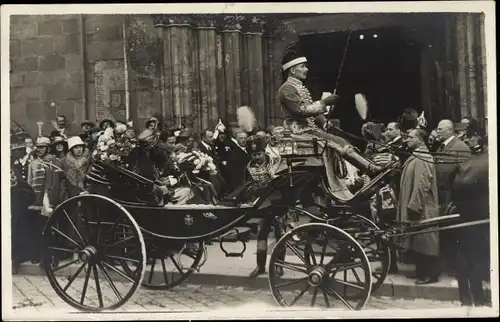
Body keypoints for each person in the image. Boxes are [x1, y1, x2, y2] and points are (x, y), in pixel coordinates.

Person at [277, 43, 386, 180]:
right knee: (339, 142)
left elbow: (312, 113)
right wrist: (325, 102)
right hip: (298, 131)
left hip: (309, 129)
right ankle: (370, 169)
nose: (306, 69)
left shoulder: (298, 87)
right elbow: (302, 110)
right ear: (293, 70)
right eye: (303, 66)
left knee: (340, 139)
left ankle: (367, 169)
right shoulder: (286, 89)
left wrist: (325, 124)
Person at [398, 129, 440, 284]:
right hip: (419, 207)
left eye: (410, 137)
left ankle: (430, 274)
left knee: (426, 242)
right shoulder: (417, 156)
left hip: (423, 208)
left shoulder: (423, 157)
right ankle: (423, 273)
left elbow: (422, 184)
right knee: (420, 241)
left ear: (420, 140)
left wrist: (414, 206)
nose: (407, 140)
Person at [243, 136, 284, 278]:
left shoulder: (275, 161)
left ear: (264, 151)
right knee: (262, 234)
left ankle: (279, 266)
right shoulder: (249, 167)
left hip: (280, 201)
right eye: (253, 155)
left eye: (259, 154)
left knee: (281, 233)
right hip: (263, 203)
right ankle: (260, 266)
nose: (257, 157)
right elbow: (247, 185)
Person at [435, 119, 471, 276]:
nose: (437, 132)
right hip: (441, 195)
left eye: (440, 129)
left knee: (454, 231)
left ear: (450, 130)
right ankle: (448, 264)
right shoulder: (442, 147)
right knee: (444, 230)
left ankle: (457, 266)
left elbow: (466, 175)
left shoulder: (460, 148)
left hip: (452, 196)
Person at [10, 132, 38, 273]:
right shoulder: (10, 166)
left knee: (20, 229)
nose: (18, 153)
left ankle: (19, 258)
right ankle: (15, 260)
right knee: (15, 230)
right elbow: (19, 184)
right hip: (15, 203)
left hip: (19, 202)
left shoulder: (15, 164)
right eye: (16, 151)